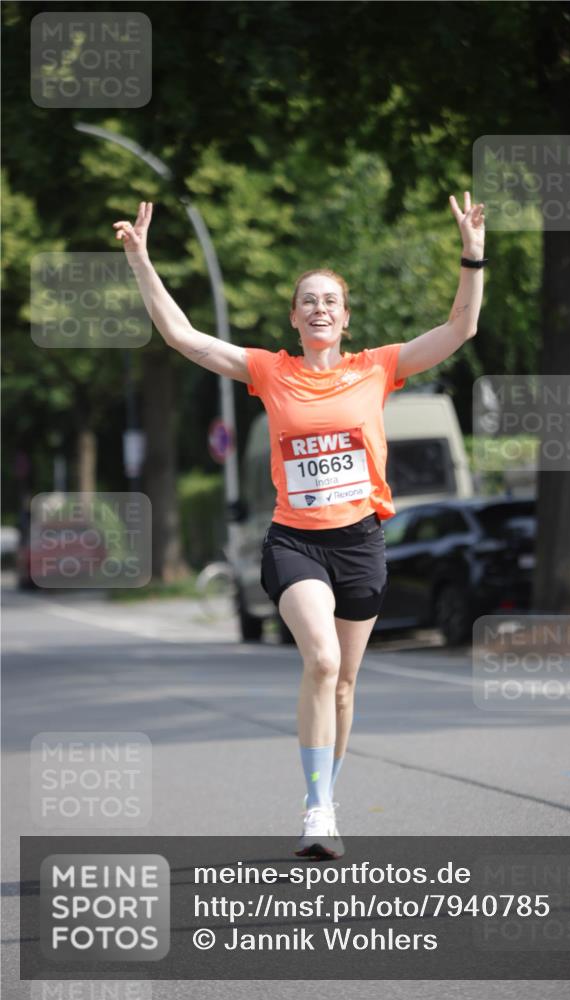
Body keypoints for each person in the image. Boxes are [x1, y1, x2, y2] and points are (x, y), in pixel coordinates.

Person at [114, 193, 486, 859]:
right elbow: (182, 337)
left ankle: (327, 801)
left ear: (345, 319)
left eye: (329, 301)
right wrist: (141, 259)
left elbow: (459, 328)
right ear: (294, 317)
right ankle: (317, 812)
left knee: (344, 681)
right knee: (319, 659)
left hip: (361, 541)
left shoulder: (377, 368)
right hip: (295, 541)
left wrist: (471, 254)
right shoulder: (269, 371)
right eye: (307, 300)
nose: (319, 308)